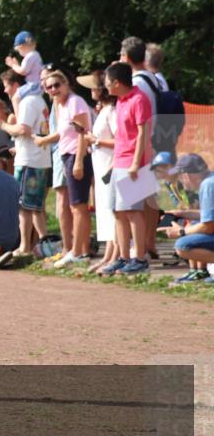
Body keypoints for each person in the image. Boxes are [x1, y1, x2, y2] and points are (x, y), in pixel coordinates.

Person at [99, 62, 153, 276]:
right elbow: (122, 135)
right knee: (117, 211)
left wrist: (136, 163)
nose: (105, 86)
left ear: (117, 83)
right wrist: (114, 162)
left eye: (107, 82)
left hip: (133, 163)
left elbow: (142, 133)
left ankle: (139, 257)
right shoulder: (121, 101)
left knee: (133, 211)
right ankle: (123, 257)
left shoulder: (139, 99)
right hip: (119, 161)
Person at [36, 70, 94, 268]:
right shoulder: (60, 105)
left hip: (76, 155)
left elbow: (82, 132)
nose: (53, 89)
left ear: (66, 84)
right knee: (75, 206)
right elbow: (62, 133)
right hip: (66, 155)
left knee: (78, 206)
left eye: (57, 85)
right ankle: (80, 251)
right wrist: (43, 140)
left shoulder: (75, 102)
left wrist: (78, 161)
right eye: (49, 87)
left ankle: (77, 252)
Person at [0, 70, 51, 257]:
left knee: (24, 206)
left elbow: (23, 129)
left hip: (29, 160)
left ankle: (26, 246)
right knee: (36, 206)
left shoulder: (28, 102)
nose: (5, 90)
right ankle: (44, 245)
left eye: (7, 86)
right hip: (39, 158)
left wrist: (2, 125)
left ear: (16, 85)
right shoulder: (39, 100)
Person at [121, 36, 162, 259]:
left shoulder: (136, 83)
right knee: (151, 197)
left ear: (127, 57)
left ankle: (141, 248)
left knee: (139, 199)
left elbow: (139, 118)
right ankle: (150, 242)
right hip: (159, 141)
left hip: (143, 145)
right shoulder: (156, 79)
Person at [78, 71, 119, 274]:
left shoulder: (112, 111)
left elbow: (120, 140)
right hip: (101, 164)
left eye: (94, 87)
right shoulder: (104, 110)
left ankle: (115, 256)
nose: (91, 90)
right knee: (105, 212)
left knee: (112, 212)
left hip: (109, 166)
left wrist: (96, 140)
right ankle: (108, 256)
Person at [160, 154, 214, 284]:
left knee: (183, 245)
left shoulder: (207, 185)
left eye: (180, 176)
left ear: (187, 175)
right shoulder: (210, 179)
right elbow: (208, 215)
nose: (181, 181)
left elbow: (208, 226)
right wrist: (183, 213)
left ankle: (202, 270)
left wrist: (181, 232)